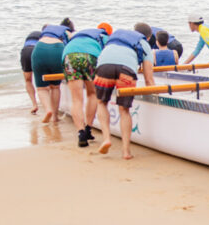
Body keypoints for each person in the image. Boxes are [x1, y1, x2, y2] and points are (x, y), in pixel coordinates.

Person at [93, 29, 155, 160]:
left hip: (104, 67)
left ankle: (106, 139)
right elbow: (149, 78)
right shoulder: (144, 43)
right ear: (147, 37)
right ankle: (126, 151)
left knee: (101, 102)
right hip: (126, 70)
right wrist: (155, 94)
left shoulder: (114, 38)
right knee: (124, 110)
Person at [62, 22, 112, 147]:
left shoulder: (77, 36)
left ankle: (81, 132)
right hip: (90, 56)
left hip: (70, 55)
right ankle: (88, 128)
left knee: (76, 99)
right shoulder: (104, 36)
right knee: (92, 94)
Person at [31, 18, 74, 123]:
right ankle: (55, 116)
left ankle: (48, 110)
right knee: (55, 87)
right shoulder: (67, 31)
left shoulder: (47, 29)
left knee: (41, 88)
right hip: (57, 49)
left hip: (39, 48)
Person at [19, 29, 43, 114]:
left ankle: (34, 105)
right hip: (36, 50)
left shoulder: (32, 34)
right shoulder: (45, 35)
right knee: (42, 79)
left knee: (28, 80)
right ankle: (46, 103)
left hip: (25, 51)